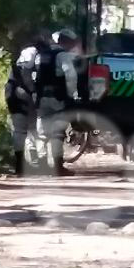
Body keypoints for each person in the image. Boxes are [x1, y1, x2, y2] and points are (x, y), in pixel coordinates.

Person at [34, 28, 81, 176]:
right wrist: (71, 94)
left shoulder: (41, 54)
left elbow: (34, 75)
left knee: (42, 132)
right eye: (71, 43)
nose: (72, 46)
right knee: (57, 133)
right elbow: (71, 76)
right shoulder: (63, 56)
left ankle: (40, 165)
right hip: (57, 99)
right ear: (65, 41)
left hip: (41, 98)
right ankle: (58, 167)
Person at [4, 32, 48, 175]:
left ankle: (19, 165)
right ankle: (42, 164)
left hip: (11, 92)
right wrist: (34, 93)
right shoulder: (38, 55)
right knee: (35, 130)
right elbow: (30, 77)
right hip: (27, 94)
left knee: (19, 130)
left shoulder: (22, 55)